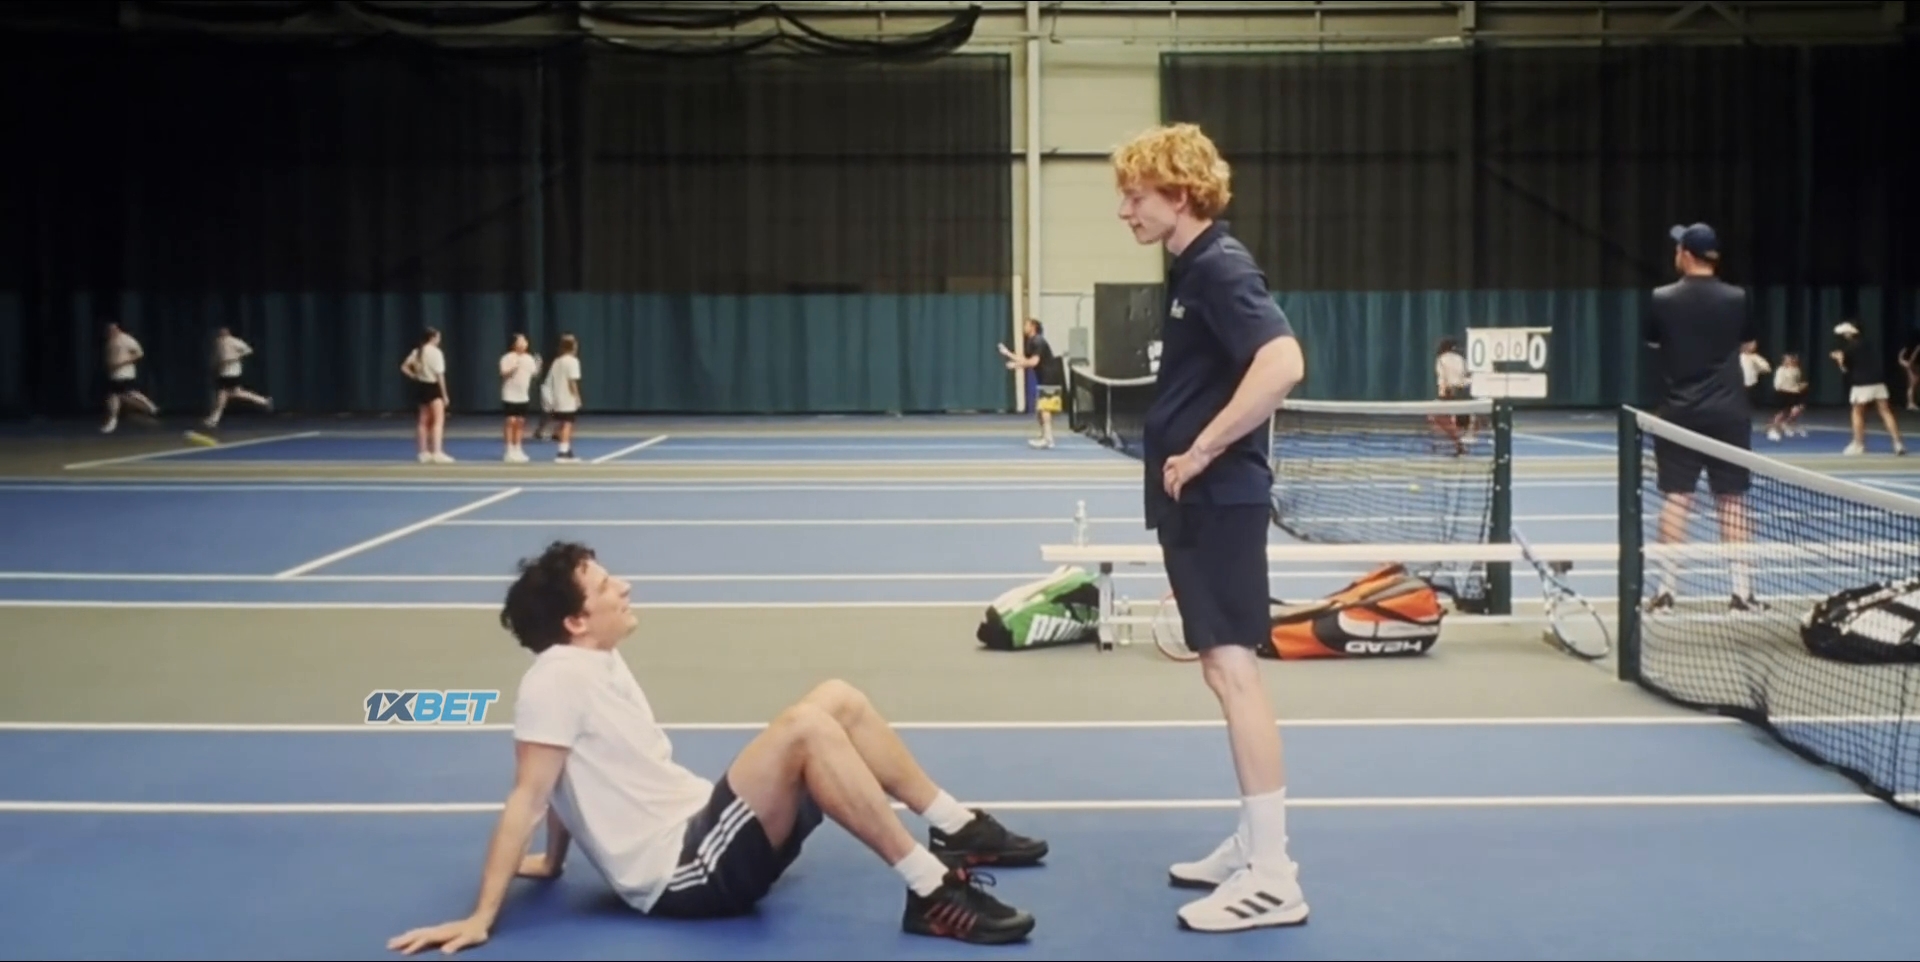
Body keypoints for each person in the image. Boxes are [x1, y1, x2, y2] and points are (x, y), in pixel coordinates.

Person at [386, 541, 1045, 956]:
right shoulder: (554, 679)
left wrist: (556, 863)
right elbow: (529, 796)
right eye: (607, 586)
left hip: (706, 833)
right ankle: (931, 890)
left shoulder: (595, 661)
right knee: (805, 728)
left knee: (836, 699)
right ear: (576, 621)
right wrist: (481, 916)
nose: (625, 587)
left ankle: (956, 827)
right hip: (685, 873)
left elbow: (564, 780)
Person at [1109, 122, 1310, 933]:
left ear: (1180, 194)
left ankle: (1274, 875)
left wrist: (1202, 449)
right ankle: (1252, 842)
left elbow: (1283, 363)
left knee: (1234, 672)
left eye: (1136, 196)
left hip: (1221, 497)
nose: (1125, 211)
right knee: (1220, 671)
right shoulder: (1190, 269)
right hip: (1196, 503)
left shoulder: (1221, 267)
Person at [1640, 223, 1764, 613]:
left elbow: (1654, 342)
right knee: (1732, 501)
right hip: (1729, 414)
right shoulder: (1737, 298)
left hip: (1679, 414)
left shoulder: (1662, 299)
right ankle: (1742, 593)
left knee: (1677, 499)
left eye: (1678, 248)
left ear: (1686, 254)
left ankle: (1666, 592)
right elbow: (1748, 343)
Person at [1829, 321, 1906, 456]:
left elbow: (1845, 370)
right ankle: (1898, 443)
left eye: (1846, 333)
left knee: (1857, 413)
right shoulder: (1868, 344)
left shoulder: (1849, 349)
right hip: (1878, 382)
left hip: (1861, 384)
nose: (1845, 335)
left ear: (1851, 332)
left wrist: (1839, 359)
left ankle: (1858, 444)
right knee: (1885, 412)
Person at [997, 318, 1063, 449]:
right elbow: (1025, 359)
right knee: (1040, 409)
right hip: (1043, 377)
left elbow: (1033, 362)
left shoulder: (1038, 341)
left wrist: (1016, 365)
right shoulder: (1031, 342)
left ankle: (1048, 439)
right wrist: (1007, 353)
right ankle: (1045, 436)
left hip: (1050, 377)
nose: (1024, 327)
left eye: (1026, 325)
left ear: (1033, 327)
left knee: (1044, 408)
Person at [400, 327, 454, 464]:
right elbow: (439, 375)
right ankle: (437, 452)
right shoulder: (436, 352)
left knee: (423, 421)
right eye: (438, 337)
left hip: (422, 386)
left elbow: (404, 367)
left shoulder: (417, 351)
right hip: (433, 387)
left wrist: (414, 376)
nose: (439, 340)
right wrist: (444, 394)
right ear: (432, 338)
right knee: (438, 421)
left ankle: (423, 452)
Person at [204, 327, 272, 429]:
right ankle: (264, 401)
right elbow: (217, 357)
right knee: (229, 395)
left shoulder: (234, 341)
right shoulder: (218, 343)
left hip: (232, 373)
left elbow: (248, 350)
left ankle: (214, 419)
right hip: (224, 373)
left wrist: (235, 357)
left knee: (225, 395)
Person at [100, 321, 159, 434]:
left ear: (117, 329)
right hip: (114, 374)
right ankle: (113, 419)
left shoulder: (127, 340)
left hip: (125, 373)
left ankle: (113, 420)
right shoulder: (110, 341)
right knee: (118, 395)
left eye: (112, 330)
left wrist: (123, 362)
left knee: (124, 394)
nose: (110, 332)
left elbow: (139, 353)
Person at [497, 333, 542, 463]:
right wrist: (514, 368)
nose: (523, 343)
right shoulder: (507, 358)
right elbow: (503, 373)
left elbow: (534, 374)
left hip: (523, 396)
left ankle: (518, 448)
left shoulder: (529, 359)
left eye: (525, 341)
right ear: (514, 344)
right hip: (510, 395)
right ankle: (509, 450)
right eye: (520, 341)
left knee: (520, 422)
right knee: (510, 421)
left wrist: (538, 365)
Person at [545, 334, 583, 463]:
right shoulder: (573, 361)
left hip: (557, 398)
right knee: (567, 424)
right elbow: (572, 381)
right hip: (567, 398)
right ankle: (562, 452)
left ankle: (567, 449)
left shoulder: (557, 361)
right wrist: (577, 396)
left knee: (562, 424)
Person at [1765, 352, 1807, 442]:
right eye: (1787, 359)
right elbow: (1777, 385)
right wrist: (1785, 388)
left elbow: (1796, 383)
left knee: (1798, 409)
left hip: (1794, 394)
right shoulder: (1780, 370)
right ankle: (1772, 429)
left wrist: (1800, 386)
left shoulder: (1796, 370)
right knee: (1782, 413)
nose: (1789, 361)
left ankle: (1786, 425)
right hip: (1783, 393)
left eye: (1791, 359)